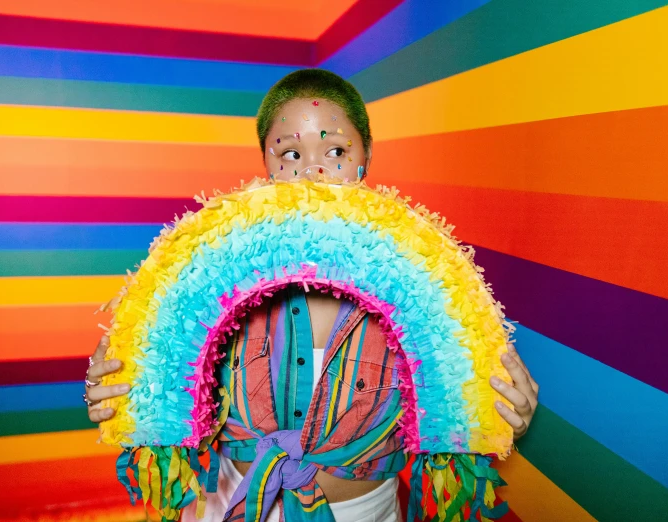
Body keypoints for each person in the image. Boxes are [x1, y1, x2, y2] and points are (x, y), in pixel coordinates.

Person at [84, 69, 539, 522]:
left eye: (336, 150)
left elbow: (465, 394)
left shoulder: (427, 286)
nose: (314, 172)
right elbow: (158, 390)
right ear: (266, 162)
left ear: (367, 156)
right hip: (229, 506)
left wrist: (503, 411)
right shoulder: (217, 281)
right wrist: (120, 390)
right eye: (291, 153)